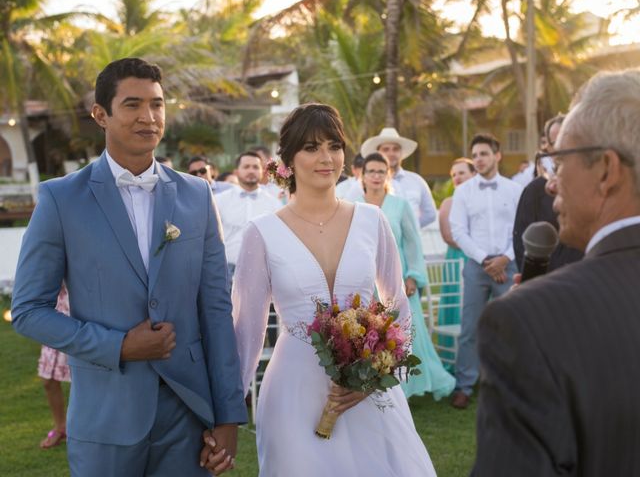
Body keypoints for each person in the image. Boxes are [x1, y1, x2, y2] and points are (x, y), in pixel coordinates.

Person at [11, 57, 247, 476]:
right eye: (133, 105)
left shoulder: (197, 195)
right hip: (105, 417)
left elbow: (215, 310)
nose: (148, 117)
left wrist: (228, 416)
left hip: (189, 417)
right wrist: (118, 346)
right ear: (101, 115)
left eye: (157, 105)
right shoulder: (60, 199)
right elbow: (29, 310)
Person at [233, 103, 436, 476]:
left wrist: (377, 378)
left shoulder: (372, 221)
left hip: (368, 392)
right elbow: (247, 329)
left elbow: (397, 306)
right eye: (311, 148)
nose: (326, 158)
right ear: (288, 160)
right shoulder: (261, 233)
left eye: (334, 145)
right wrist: (229, 409)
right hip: (294, 390)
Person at [473, 68, 640, 477]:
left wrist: (531, 313)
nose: (550, 184)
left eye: (559, 162)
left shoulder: (528, 321)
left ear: (606, 171)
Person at [359, 152, 455, 400]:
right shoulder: (353, 206)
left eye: (382, 171)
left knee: (404, 333)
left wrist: (413, 276)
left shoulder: (399, 206)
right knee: (369, 333)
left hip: (398, 277)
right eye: (372, 171)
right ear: (363, 175)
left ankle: (405, 386)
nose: (377, 176)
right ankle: (373, 382)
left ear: (387, 175)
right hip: (365, 278)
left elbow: (413, 243)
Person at [448, 133, 523, 409]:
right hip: (477, 266)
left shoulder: (514, 190)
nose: (479, 159)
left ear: (497, 156)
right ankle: (464, 386)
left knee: (510, 328)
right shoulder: (463, 192)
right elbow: (458, 231)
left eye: (484, 154)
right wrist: (485, 261)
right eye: (475, 155)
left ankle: (509, 385)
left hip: (509, 265)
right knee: (470, 328)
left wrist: (505, 258)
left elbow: (521, 229)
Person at [513, 114, 583, 272]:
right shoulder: (534, 191)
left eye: (567, 140)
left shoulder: (592, 186)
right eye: (555, 142)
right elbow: (521, 243)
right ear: (548, 147)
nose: (562, 147)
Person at [215, 150, 282, 285]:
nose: (251, 170)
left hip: (262, 271)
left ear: (263, 171)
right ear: (236, 171)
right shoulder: (219, 201)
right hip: (226, 269)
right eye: (246, 167)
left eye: (255, 167)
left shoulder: (274, 204)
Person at [436, 158, 476, 368]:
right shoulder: (448, 203)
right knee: (457, 306)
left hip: (479, 259)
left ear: (474, 174)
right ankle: (455, 361)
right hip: (457, 258)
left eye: (462, 173)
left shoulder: (480, 200)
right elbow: (448, 236)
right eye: (454, 175)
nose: (458, 177)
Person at [359, 128, 437, 228]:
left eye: (395, 149)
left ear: (401, 152)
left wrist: (410, 227)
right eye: (386, 149)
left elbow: (430, 214)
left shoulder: (417, 181)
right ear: (378, 153)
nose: (391, 153)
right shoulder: (364, 182)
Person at [38, 285, 72, 449]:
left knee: (84, 378)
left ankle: (91, 431)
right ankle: (61, 427)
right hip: (56, 314)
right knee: (48, 379)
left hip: (79, 313)